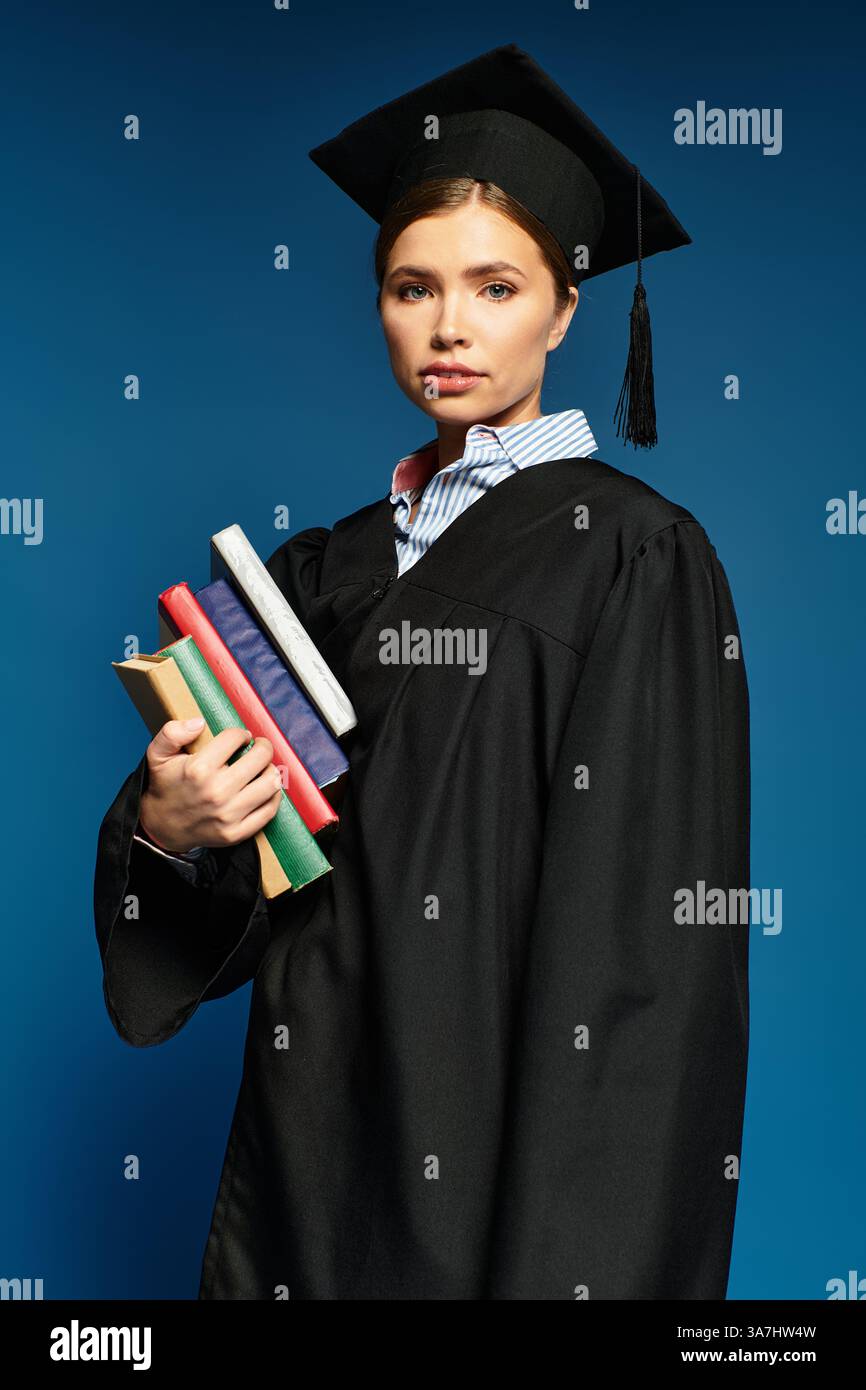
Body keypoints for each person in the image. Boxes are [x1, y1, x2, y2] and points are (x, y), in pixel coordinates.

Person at [94, 43, 750, 1300]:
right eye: (411, 286)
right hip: (305, 1173)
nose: (447, 325)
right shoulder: (313, 570)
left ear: (565, 304)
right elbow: (230, 903)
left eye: (493, 286)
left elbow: (641, 991)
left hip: (492, 1207)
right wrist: (172, 832)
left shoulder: (630, 558)